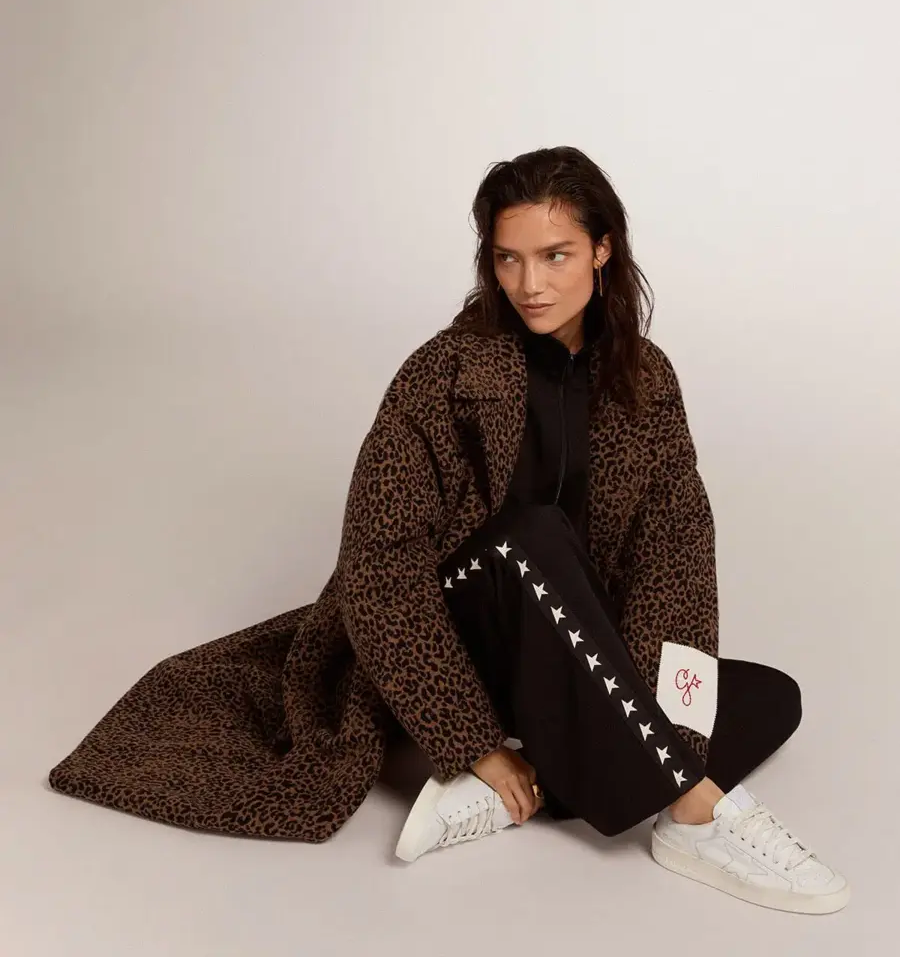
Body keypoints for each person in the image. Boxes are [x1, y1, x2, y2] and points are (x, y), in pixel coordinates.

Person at [48, 147, 848, 914]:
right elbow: (379, 567)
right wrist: (472, 742)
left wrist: (673, 718)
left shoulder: (645, 379)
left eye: (556, 256)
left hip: (562, 648)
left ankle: (539, 783)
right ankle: (694, 815)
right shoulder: (444, 373)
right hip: (456, 635)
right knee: (533, 536)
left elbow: (675, 556)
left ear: (603, 250)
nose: (529, 284)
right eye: (508, 259)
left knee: (771, 696)